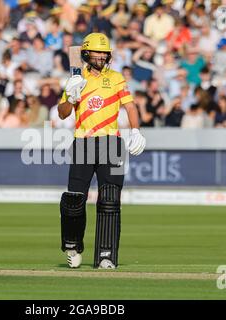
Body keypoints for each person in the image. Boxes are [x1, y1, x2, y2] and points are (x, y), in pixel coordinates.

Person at [57, 33, 146, 269]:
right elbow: (63, 113)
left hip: (111, 142)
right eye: (97, 52)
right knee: (75, 199)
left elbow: (130, 106)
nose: (101, 56)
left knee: (110, 200)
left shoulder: (116, 78)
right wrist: (72, 95)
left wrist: (135, 131)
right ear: (86, 54)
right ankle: (73, 246)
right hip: (83, 142)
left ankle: (106, 255)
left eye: (104, 53)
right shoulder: (76, 79)